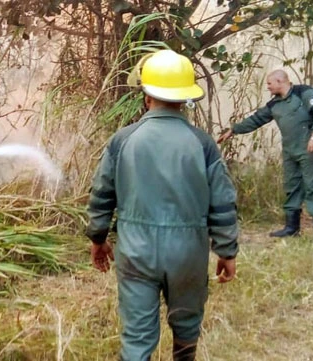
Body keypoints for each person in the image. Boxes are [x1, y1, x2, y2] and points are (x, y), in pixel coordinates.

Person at [85, 49, 239, 361]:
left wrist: (98, 239)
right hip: (188, 252)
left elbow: (102, 194)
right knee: (186, 326)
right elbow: (222, 202)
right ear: (184, 99)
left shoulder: (123, 140)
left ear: (146, 95)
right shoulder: (202, 143)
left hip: (135, 250)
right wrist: (227, 251)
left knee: (137, 337)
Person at [217, 70, 313, 238]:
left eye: (269, 83)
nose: (268, 87)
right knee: (291, 186)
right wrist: (233, 130)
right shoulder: (275, 104)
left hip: (309, 147)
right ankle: (292, 228)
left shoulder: (304, 93)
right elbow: (256, 119)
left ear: (279, 81)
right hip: (290, 150)